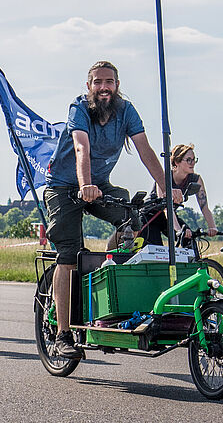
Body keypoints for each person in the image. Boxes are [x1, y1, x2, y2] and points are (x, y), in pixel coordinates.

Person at [45, 61, 179, 359]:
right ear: (89, 85)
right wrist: (85, 185)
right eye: (97, 82)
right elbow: (82, 147)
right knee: (68, 254)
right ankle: (62, 334)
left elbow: (145, 150)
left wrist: (167, 189)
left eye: (109, 82)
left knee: (133, 217)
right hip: (65, 187)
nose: (103, 87)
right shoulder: (78, 109)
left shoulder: (126, 111)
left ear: (117, 85)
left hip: (99, 184)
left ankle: (107, 274)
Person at [134, 143, 218, 245]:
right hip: (150, 217)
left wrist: (212, 227)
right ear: (177, 162)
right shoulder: (164, 177)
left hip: (170, 217)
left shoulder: (196, 179)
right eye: (188, 160)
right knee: (157, 251)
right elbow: (166, 208)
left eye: (194, 159)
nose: (193, 163)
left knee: (189, 240)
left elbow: (204, 206)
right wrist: (178, 229)